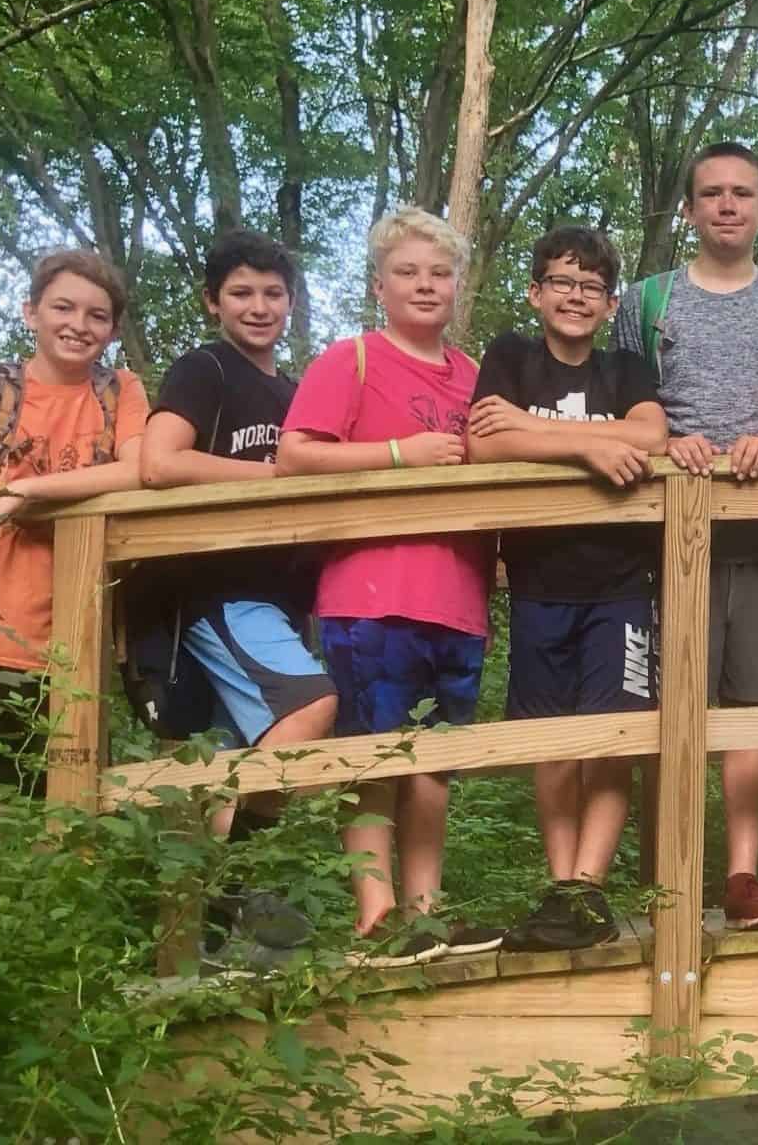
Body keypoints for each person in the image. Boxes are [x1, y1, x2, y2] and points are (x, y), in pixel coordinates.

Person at [276, 206, 497, 968]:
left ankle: (426, 914)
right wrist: (400, 453)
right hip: (369, 593)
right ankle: (376, 918)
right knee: (372, 755)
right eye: (408, 272)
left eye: (439, 273)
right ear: (380, 285)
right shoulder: (353, 360)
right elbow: (296, 455)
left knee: (435, 764)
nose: (425, 285)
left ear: (458, 286)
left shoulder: (474, 375)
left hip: (460, 596)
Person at [613, 141, 758, 932]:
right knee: (671, 703)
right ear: (690, 209)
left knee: (756, 705)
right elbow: (623, 402)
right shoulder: (649, 299)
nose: (727, 205)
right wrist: (664, 447)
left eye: (743, 194)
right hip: (668, 532)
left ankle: (740, 874)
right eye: (712, 193)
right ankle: (668, 873)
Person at [465, 225, 668, 952]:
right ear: (535, 292)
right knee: (552, 741)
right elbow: (483, 441)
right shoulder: (512, 357)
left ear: (611, 304)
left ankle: (590, 887)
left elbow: (652, 436)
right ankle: (560, 888)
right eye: (561, 282)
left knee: (611, 737)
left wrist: (532, 428)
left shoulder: (625, 367)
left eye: (590, 287)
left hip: (620, 582)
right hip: (537, 580)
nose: (575, 296)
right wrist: (587, 444)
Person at [139, 229, 339, 962]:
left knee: (235, 774)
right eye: (241, 294)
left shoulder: (293, 391)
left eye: (273, 294)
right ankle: (237, 886)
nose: (260, 308)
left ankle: (204, 940)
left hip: (282, 597)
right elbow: (158, 463)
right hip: (217, 588)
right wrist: (275, 480)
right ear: (212, 302)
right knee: (310, 706)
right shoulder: (205, 369)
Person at [0, 249, 149, 802]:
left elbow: (140, 470)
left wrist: (19, 492)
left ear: (111, 329)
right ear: (30, 312)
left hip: (75, 645)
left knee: (67, 807)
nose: (78, 326)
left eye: (97, 315)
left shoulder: (119, 393)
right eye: (63, 307)